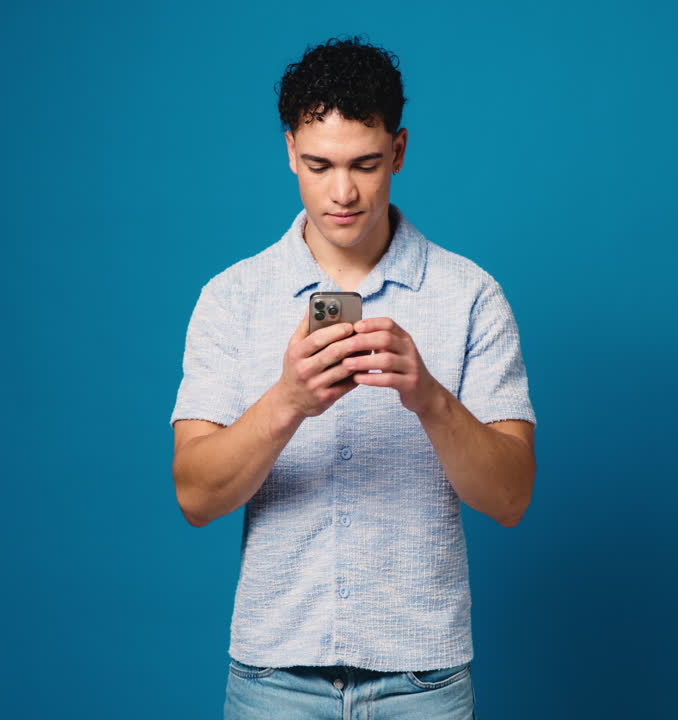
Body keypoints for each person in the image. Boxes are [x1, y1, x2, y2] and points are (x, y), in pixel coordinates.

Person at [170, 36, 536, 719]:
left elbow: (512, 497)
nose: (342, 192)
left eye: (365, 165)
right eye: (319, 165)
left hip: (423, 682)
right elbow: (195, 496)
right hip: (272, 681)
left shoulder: (470, 295)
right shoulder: (232, 297)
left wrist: (428, 398)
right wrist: (286, 401)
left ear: (398, 151)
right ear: (289, 154)